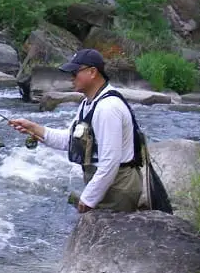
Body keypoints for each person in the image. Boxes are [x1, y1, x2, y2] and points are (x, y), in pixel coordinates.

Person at [9, 49, 143, 213]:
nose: (71, 77)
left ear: (93, 72)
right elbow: (70, 140)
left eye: (75, 72)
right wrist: (35, 129)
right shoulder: (88, 104)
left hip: (118, 187)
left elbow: (110, 162)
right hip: (107, 184)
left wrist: (88, 198)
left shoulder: (108, 108)